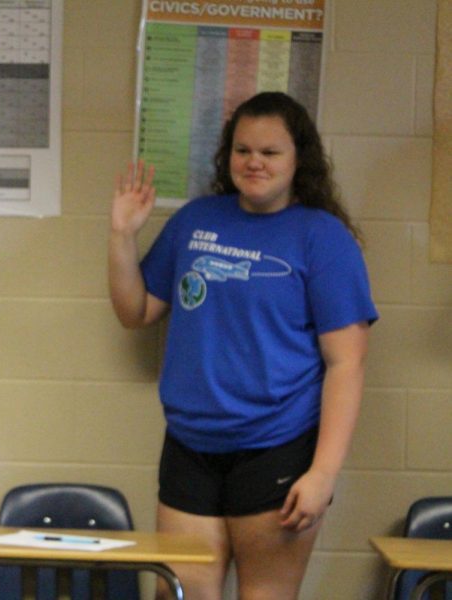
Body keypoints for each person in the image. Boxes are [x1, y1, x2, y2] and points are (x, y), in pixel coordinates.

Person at [108, 92, 378, 600]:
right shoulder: (195, 221)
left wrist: (323, 473)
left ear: (299, 159)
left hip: (278, 447)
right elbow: (135, 311)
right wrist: (122, 235)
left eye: (270, 152)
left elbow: (348, 363)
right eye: (242, 150)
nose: (254, 162)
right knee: (181, 594)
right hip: (190, 445)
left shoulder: (323, 239)